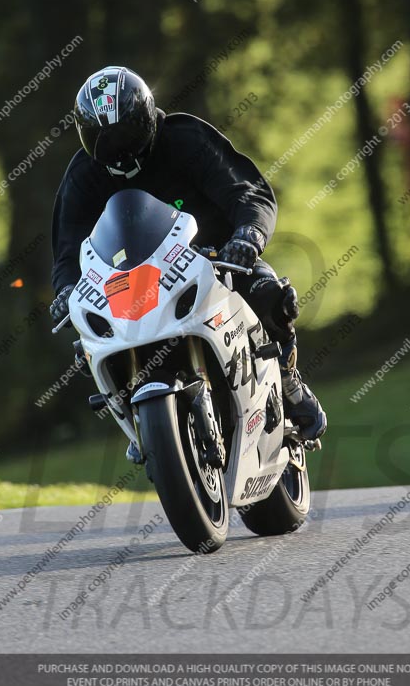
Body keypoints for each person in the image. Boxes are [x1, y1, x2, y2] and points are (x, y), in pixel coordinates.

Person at [50, 66, 326, 453]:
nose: (118, 150)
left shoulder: (184, 138)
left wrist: (249, 234)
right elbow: (67, 249)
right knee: (88, 344)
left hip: (216, 258)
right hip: (130, 284)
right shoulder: (83, 175)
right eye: (103, 139)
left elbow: (245, 190)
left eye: (126, 133)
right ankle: (138, 419)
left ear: (147, 116)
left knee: (270, 295)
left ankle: (287, 378)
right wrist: (66, 290)